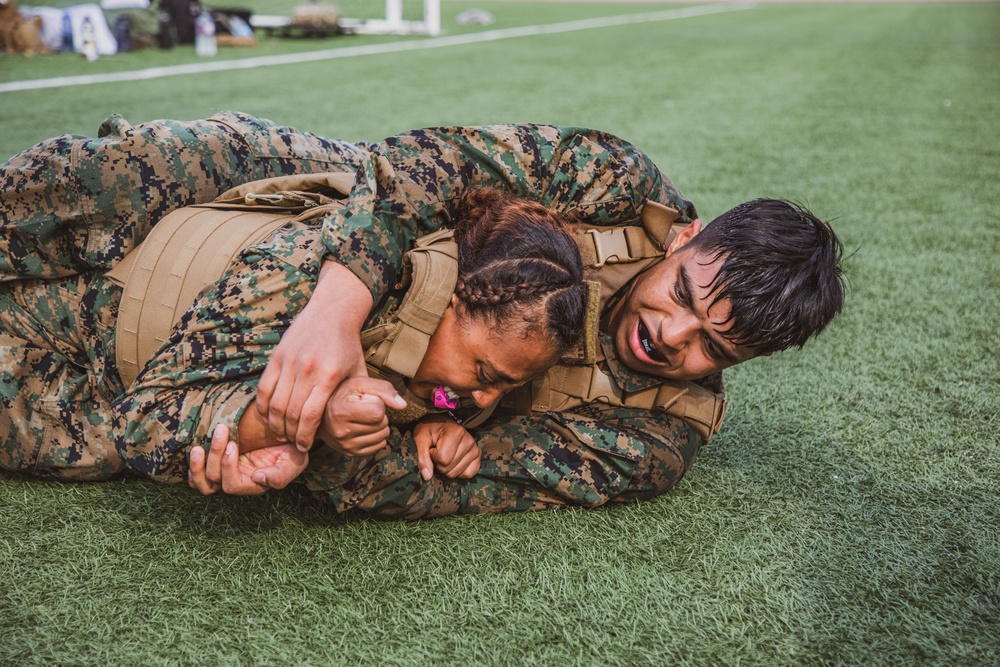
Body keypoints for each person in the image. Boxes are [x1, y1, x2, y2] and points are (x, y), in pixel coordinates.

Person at [2, 113, 845, 519]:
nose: (671, 335)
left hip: (357, 392)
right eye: (687, 297)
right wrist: (340, 300)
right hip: (359, 246)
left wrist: (344, 432)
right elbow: (420, 164)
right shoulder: (616, 182)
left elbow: (442, 477)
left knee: (95, 434)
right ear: (687, 238)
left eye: (712, 347)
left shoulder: (656, 435)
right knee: (141, 169)